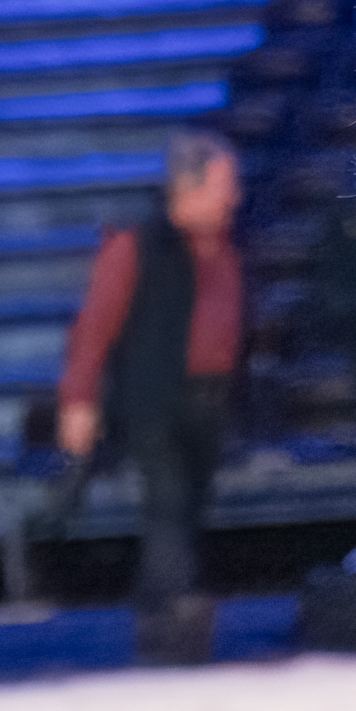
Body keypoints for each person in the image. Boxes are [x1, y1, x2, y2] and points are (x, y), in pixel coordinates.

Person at [56, 129, 243, 665]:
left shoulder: (225, 246)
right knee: (168, 503)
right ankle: (172, 612)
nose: (234, 198)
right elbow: (94, 328)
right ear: (188, 186)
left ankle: (166, 616)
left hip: (209, 400)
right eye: (223, 186)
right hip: (154, 401)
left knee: (188, 506)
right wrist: (79, 401)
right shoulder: (135, 246)